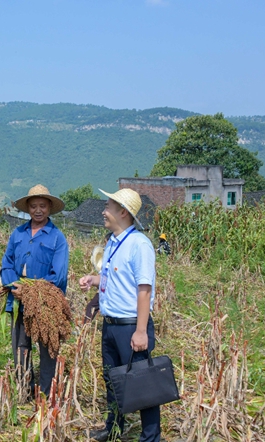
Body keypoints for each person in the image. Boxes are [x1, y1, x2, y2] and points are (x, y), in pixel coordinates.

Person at [79, 188, 160, 442]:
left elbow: (144, 290)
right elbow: (113, 279)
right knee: (113, 380)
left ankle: (150, 436)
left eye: (108, 207)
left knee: (143, 384)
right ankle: (114, 428)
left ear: (123, 212)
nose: (104, 211)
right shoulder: (113, 242)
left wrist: (140, 331)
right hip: (111, 325)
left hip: (131, 326)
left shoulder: (139, 245)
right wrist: (94, 283)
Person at [0, 184, 69, 398]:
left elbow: (58, 276)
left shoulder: (57, 237)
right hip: (17, 300)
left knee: (48, 348)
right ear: (27, 208)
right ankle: (25, 391)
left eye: (42, 206)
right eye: (33, 206)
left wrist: (29, 292)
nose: (38, 210)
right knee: (21, 347)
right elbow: (6, 265)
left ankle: (47, 394)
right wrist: (15, 287)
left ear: (49, 207)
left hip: (46, 303)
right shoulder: (18, 234)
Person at [84, 232, 112, 324]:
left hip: (108, 290)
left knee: (91, 307)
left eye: (106, 242)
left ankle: (85, 327)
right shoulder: (108, 256)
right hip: (104, 289)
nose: (105, 244)